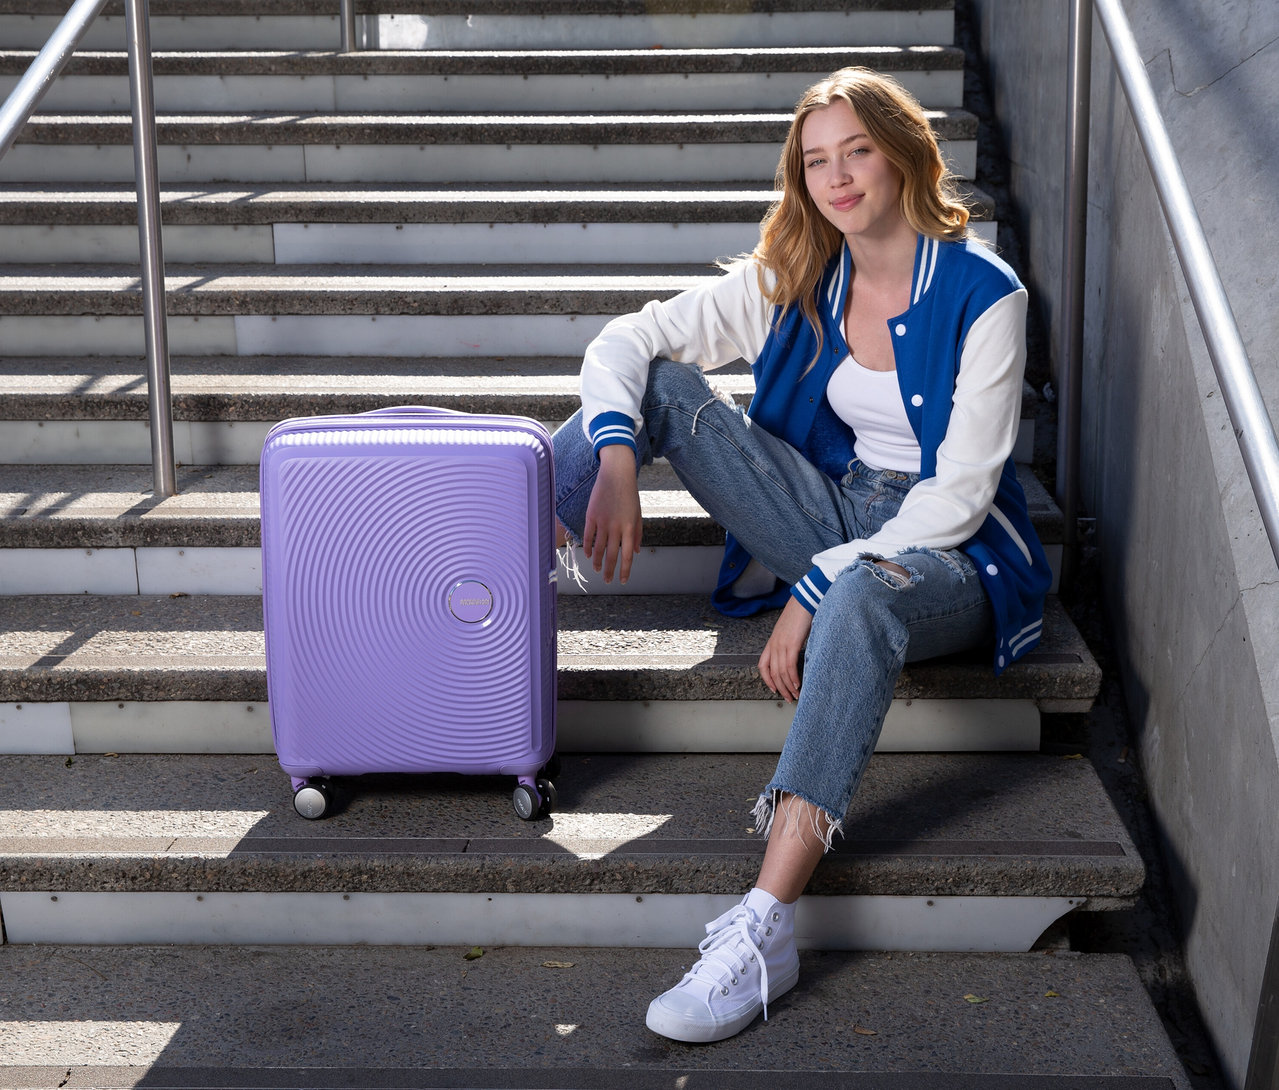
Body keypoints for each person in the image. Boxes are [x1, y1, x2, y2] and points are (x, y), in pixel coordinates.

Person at [551, 66, 1053, 1044]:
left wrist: (824, 582)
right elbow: (629, 337)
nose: (836, 176)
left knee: (861, 600)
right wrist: (614, 453)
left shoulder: (984, 292)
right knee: (649, 385)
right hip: (823, 507)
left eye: (856, 150)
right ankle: (525, 550)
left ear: (903, 152)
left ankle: (766, 923)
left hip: (945, 553)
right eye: (815, 159)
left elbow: (958, 495)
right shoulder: (799, 268)